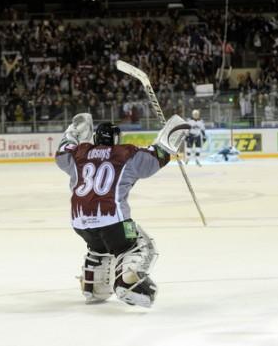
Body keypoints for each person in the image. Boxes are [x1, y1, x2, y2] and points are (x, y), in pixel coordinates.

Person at [55, 113, 187, 307]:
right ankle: (128, 285)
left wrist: (74, 131)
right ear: (116, 139)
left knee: (99, 248)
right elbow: (155, 157)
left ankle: (94, 287)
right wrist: (171, 137)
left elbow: (61, 152)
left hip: (80, 223)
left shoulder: (78, 154)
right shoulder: (125, 154)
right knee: (139, 246)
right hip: (115, 222)